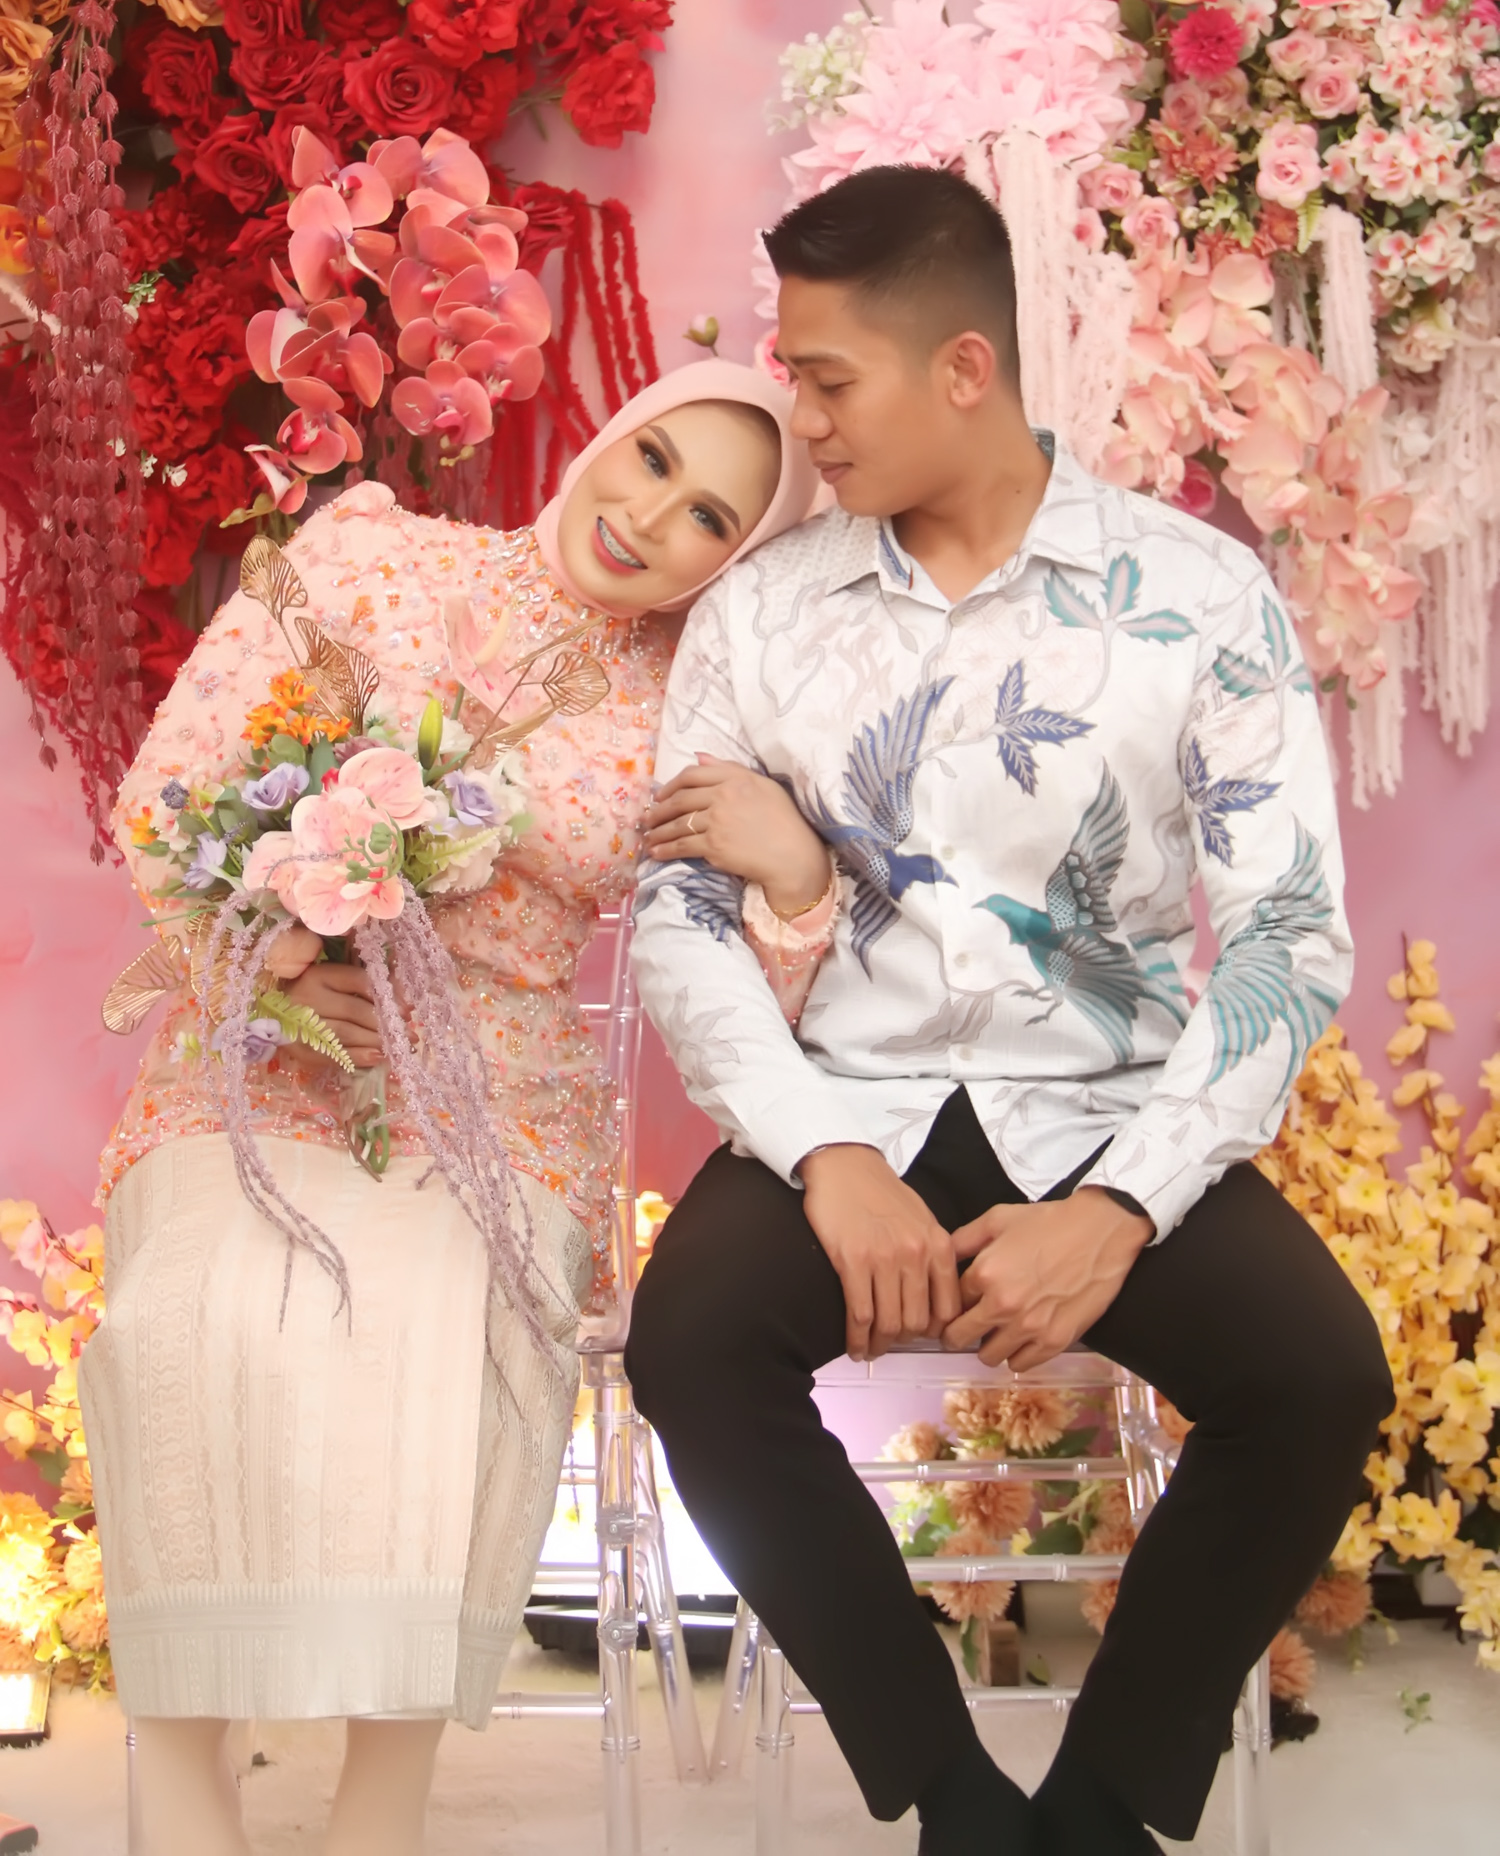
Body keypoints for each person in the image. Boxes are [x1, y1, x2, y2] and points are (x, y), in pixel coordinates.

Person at [626, 168, 1395, 1856]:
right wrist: (828, 1158)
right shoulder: (761, 610)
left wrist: (1121, 1209)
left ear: (963, 369)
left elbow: (1284, 932)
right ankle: (959, 1803)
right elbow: (679, 920)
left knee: (1320, 1377)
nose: (802, 418)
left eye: (830, 379)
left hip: (1113, 1106)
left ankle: (1098, 1817)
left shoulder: (1199, 594)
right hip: (850, 1104)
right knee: (691, 1344)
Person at [78, 359, 819, 1856]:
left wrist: (797, 881)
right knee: (190, 1316)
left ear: (733, 560)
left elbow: (742, 991)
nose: (650, 516)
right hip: (259, 1051)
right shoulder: (370, 552)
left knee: (431, 1332)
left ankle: (381, 1815)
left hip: (497, 1097)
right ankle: (183, 1798)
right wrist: (270, 949)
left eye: (707, 517)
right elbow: (171, 788)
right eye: (654, 459)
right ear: (612, 435)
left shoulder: (694, 706)